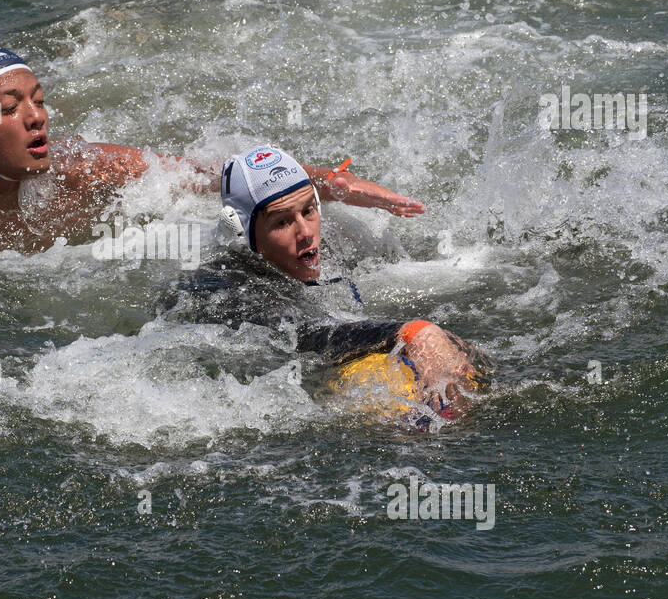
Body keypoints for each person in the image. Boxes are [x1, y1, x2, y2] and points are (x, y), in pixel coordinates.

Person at [0, 45, 425, 251]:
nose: (37, 118)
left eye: (40, 99)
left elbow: (212, 175)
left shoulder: (84, 169)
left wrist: (326, 180)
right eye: (9, 106)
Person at [157, 145, 489, 421]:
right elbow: (310, 335)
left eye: (309, 210)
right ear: (242, 231)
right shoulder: (235, 291)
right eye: (283, 222)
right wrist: (411, 331)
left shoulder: (319, 247)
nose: (305, 232)